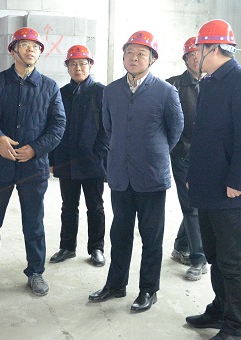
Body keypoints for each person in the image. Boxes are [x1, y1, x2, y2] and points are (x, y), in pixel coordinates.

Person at [0, 27, 66, 299]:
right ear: (13, 50)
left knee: (34, 223)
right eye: (24, 45)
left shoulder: (49, 87)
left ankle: (36, 272)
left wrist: (36, 148)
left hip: (33, 168)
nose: (31, 50)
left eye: (35, 46)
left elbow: (58, 125)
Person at [88, 30, 183, 313]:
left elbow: (175, 131)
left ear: (152, 59)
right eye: (129, 52)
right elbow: (109, 128)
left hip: (151, 176)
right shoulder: (111, 91)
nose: (134, 58)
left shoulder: (166, 92)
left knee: (151, 237)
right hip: (120, 173)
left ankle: (148, 290)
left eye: (141, 53)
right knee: (120, 233)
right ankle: (116, 285)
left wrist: (153, 151)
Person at [184, 20, 241, 340]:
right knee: (216, 256)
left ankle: (236, 328)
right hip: (208, 188)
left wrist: (238, 182)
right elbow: (203, 137)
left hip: (231, 192)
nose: (195, 55)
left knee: (233, 261)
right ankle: (220, 309)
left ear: (213, 48)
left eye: (199, 49)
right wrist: (194, 176)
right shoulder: (210, 82)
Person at [49, 45, 109, 267]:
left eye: (82, 63)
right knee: (68, 206)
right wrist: (52, 159)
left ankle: (97, 248)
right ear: (67, 67)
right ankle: (67, 247)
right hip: (66, 161)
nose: (78, 68)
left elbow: (108, 128)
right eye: (73, 64)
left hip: (93, 162)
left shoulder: (101, 92)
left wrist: (98, 154)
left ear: (90, 65)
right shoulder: (61, 93)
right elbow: (53, 126)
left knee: (95, 207)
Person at [166, 37, 207, 280]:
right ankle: (198, 258)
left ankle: (181, 246)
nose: (196, 58)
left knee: (197, 204)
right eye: (191, 54)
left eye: (199, 53)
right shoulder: (173, 85)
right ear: (185, 58)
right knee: (192, 206)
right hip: (182, 154)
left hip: (207, 156)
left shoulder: (213, 83)